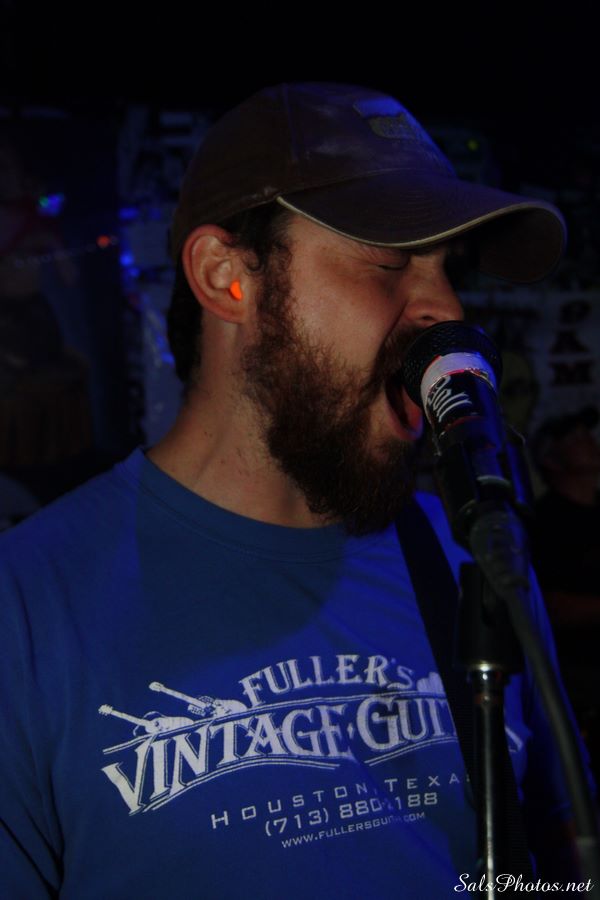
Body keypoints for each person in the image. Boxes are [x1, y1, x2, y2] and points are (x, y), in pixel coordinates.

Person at [0, 83, 582, 898]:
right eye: (388, 261)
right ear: (226, 277)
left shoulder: (472, 555)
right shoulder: (27, 608)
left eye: (448, 269)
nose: (446, 310)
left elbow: (559, 855)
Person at [530, 406, 600, 782]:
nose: (588, 440)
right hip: (580, 680)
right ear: (551, 461)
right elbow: (548, 606)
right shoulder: (545, 522)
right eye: (572, 437)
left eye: (586, 432)